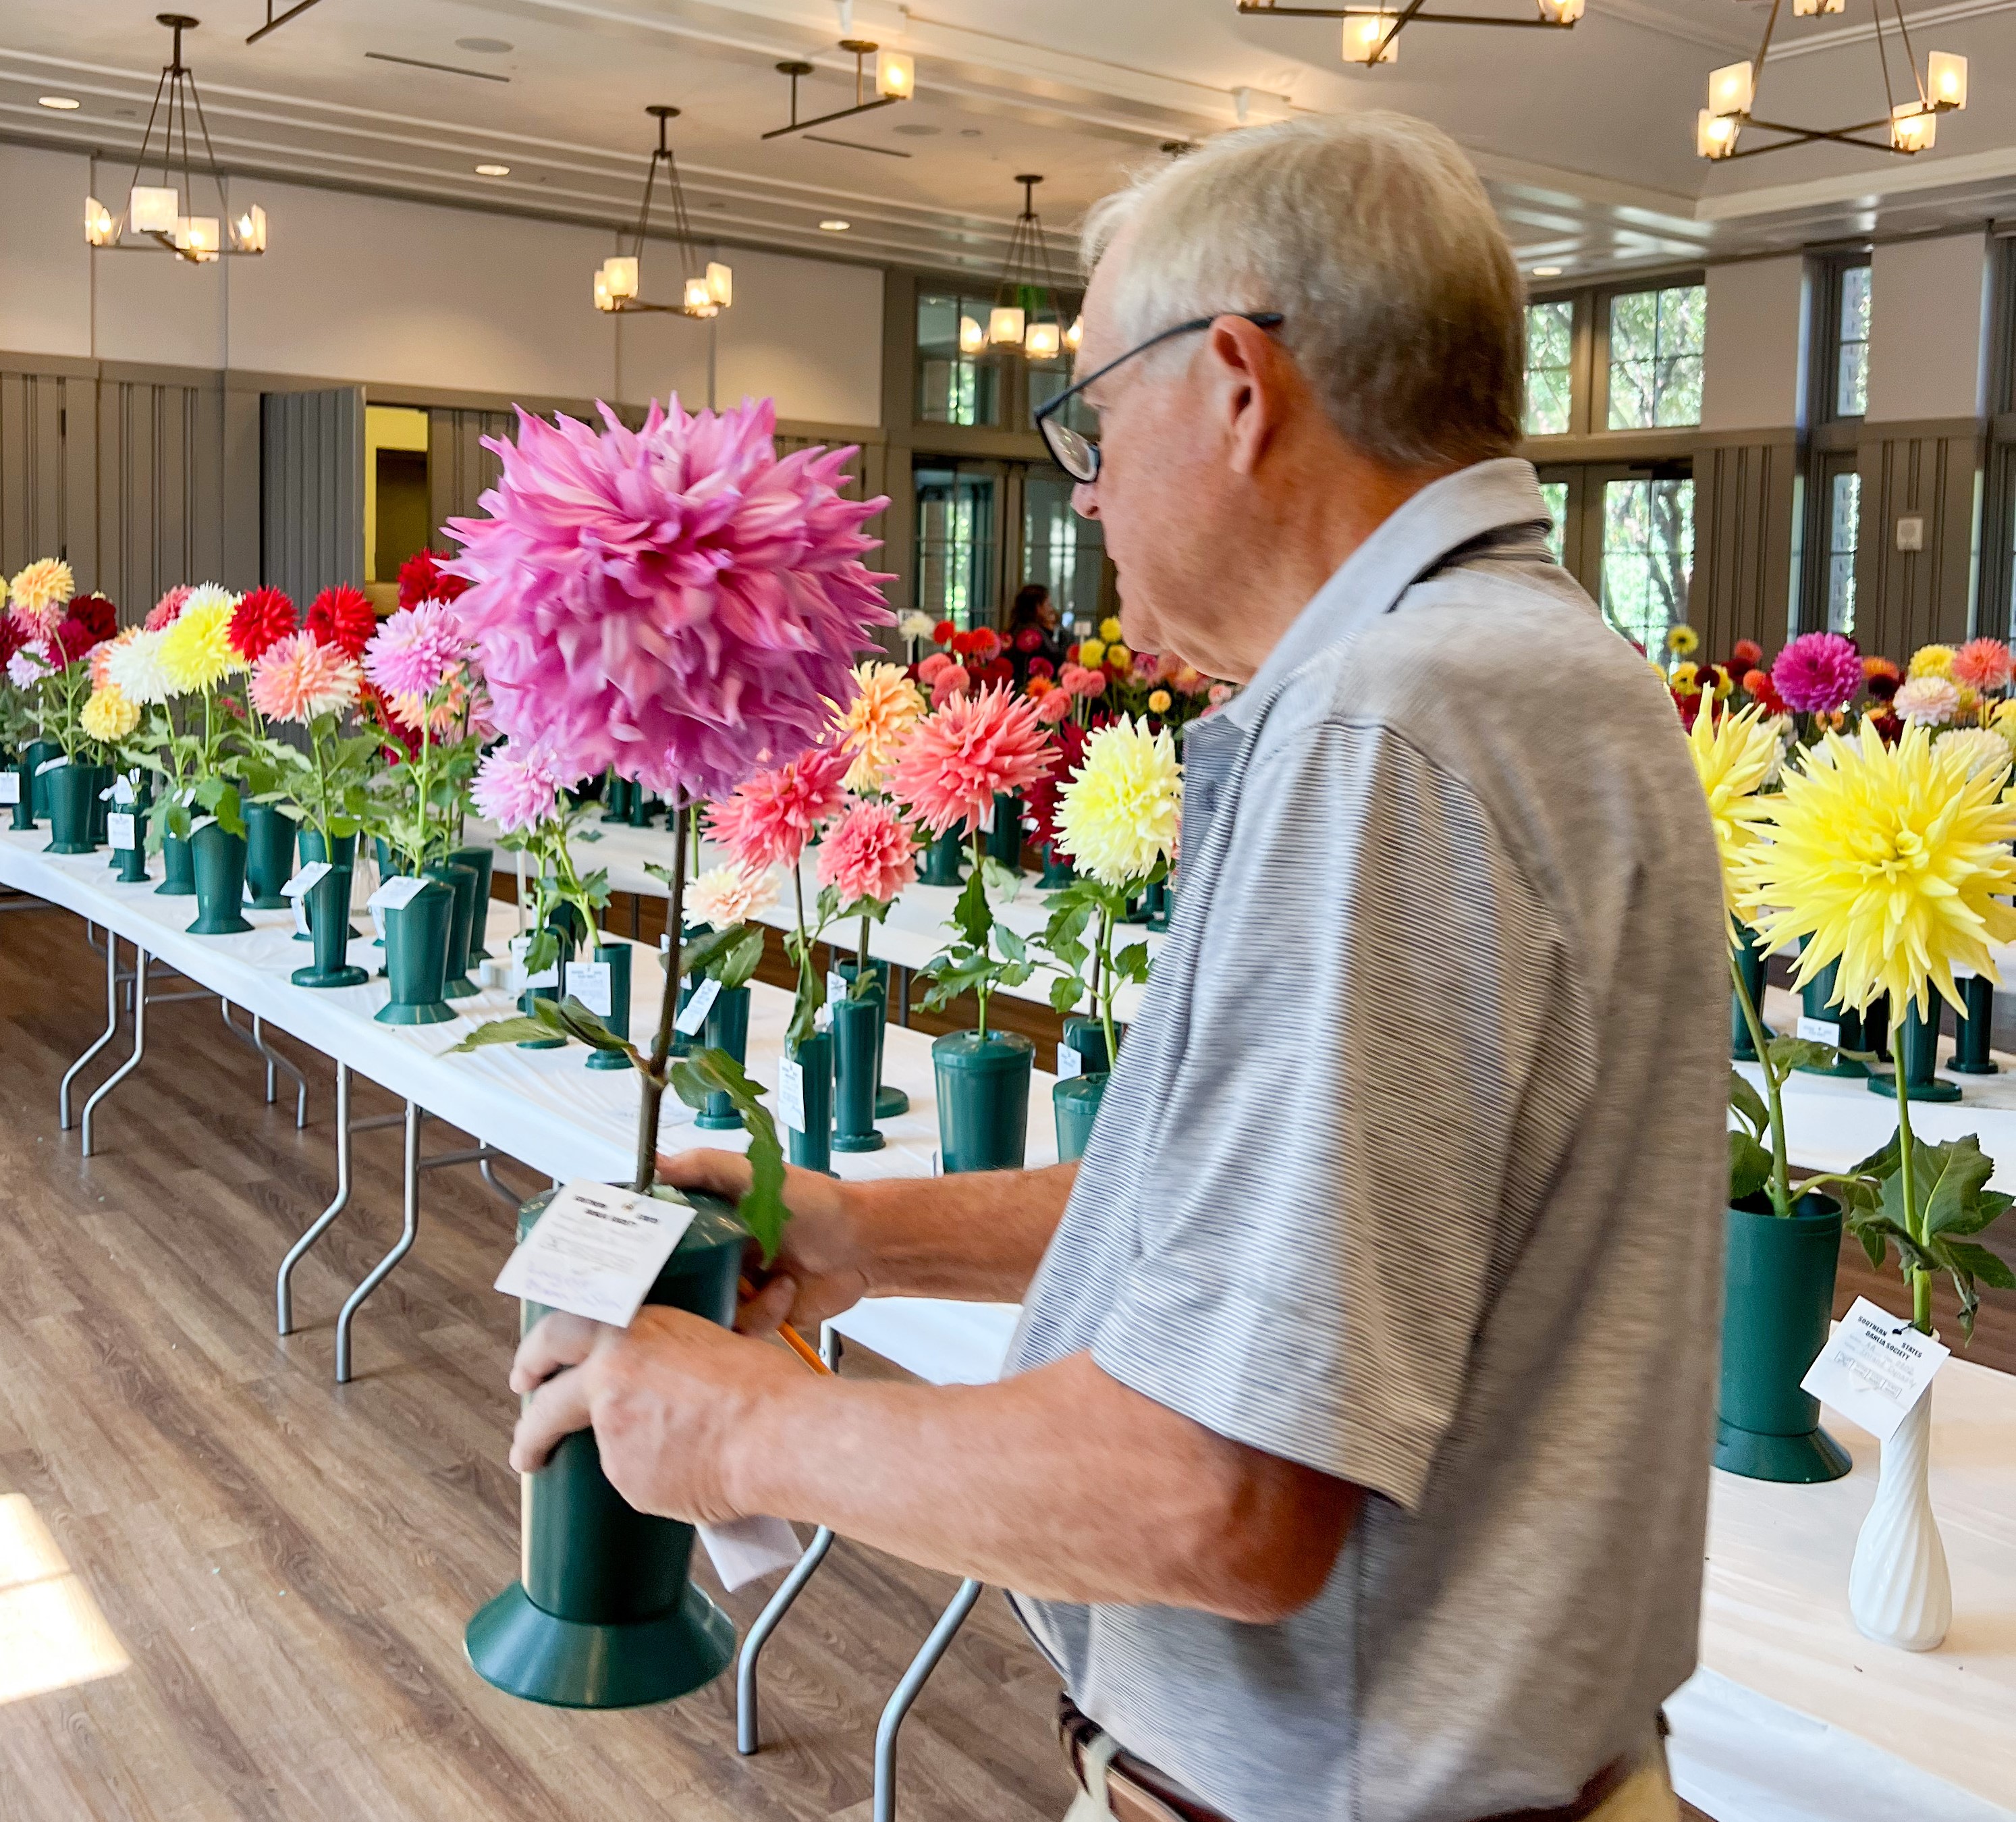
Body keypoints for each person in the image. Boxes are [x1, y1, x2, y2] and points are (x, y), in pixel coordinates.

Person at [507, 109, 1725, 1822]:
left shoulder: (1389, 722)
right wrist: (875, 1235)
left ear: (1234, 386)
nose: (1082, 496)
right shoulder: (1539, 669)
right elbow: (1308, 1230)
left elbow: (1212, 1497)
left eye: (1084, 421)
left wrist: (731, 1428)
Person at [1008, 581, 1066, 684]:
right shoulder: (1031, 636)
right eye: (1048, 605)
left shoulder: (1021, 629)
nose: (1051, 609)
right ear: (1037, 608)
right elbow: (1056, 662)